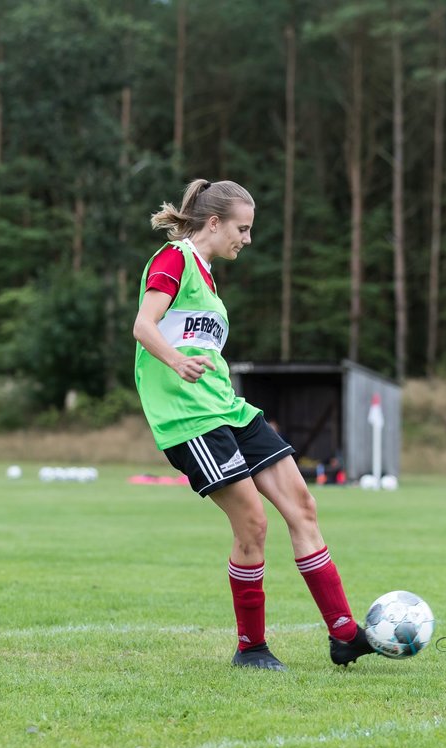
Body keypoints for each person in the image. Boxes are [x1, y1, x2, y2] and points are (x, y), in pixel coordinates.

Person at [132, 179, 374, 670]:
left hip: (228, 408)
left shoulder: (207, 275)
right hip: (190, 419)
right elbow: (143, 325)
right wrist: (177, 361)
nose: (247, 238)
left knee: (303, 506)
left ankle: (345, 634)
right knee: (253, 524)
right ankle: (251, 648)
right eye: (242, 229)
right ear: (215, 223)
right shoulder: (173, 258)